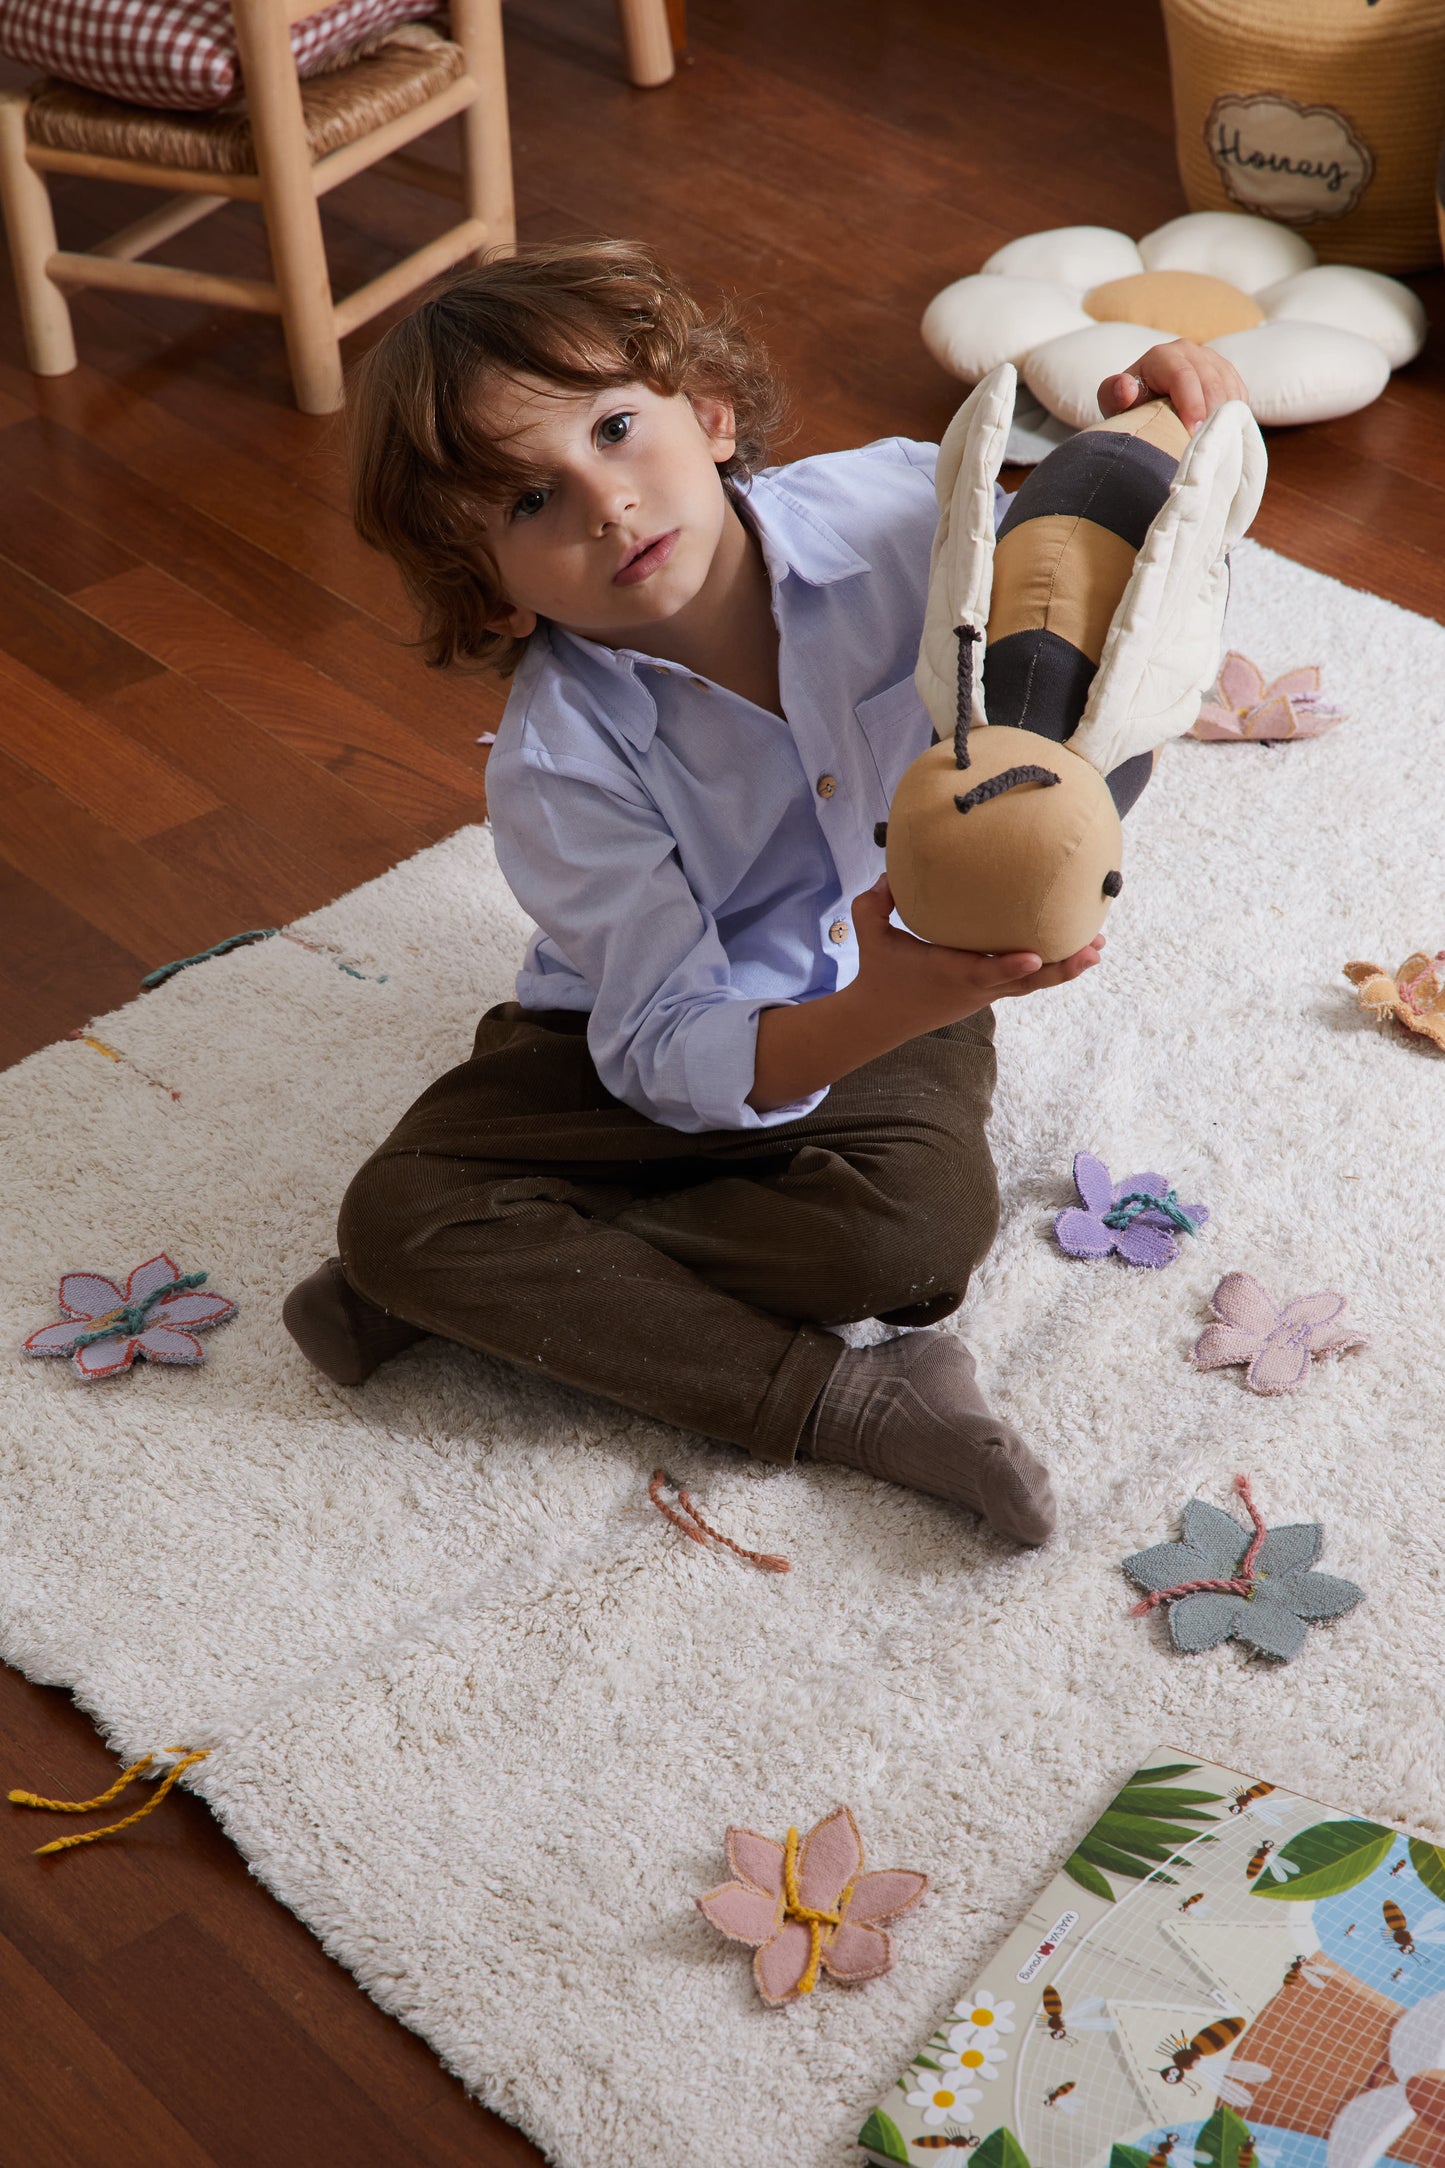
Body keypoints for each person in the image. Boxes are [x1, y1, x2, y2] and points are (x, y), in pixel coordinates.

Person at [282, 240, 1247, 1547]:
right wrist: (869, 1008)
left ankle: (506, 1285)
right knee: (395, 1218)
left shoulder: (909, 513)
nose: (606, 505)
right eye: (525, 506)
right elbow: (661, 1048)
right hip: (631, 1037)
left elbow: (1089, 563)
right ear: (491, 599)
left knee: (910, 1244)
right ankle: (848, 1402)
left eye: (618, 430)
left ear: (710, 411)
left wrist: (1156, 419)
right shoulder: (559, 765)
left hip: (904, 980)